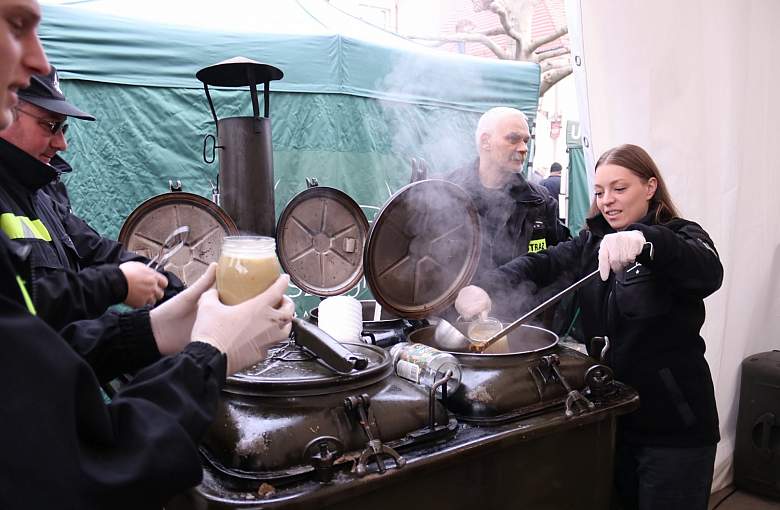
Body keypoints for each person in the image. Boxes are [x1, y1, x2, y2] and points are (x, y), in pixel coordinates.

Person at [0, 2, 296, 508]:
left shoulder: (43, 191)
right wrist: (205, 355)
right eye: (16, 24)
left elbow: (39, 350)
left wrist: (155, 325)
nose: (40, 59)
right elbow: (85, 471)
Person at [456, 143, 722, 510]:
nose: (607, 200)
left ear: (650, 186)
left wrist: (646, 241)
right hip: (614, 418)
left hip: (673, 428)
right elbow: (541, 263)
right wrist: (485, 286)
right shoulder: (591, 242)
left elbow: (708, 271)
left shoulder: (679, 236)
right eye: (599, 191)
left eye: (619, 188)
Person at [0, 66, 184, 323]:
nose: (61, 143)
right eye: (51, 125)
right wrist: (113, 284)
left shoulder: (42, 193)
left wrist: (181, 293)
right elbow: (18, 305)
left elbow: (97, 251)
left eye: (63, 129)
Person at [445, 106, 570, 322]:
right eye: (513, 139)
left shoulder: (540, 202)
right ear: (485, 142)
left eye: (526, 141)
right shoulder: (446, 191)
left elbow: (559, 264)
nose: (523, 148)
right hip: (453, 326)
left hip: (519, 329)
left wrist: (543, 319)